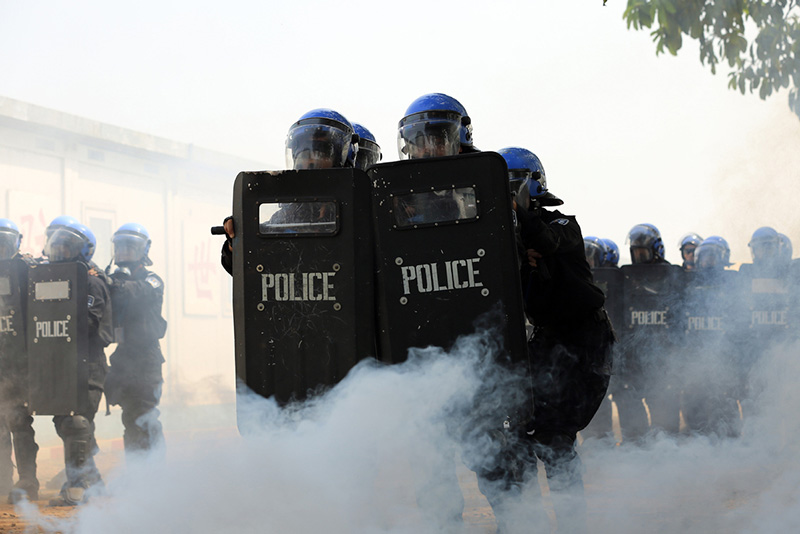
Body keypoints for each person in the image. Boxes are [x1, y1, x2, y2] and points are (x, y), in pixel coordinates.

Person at [493, 146, 614, 532]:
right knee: (519, 432)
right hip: (546, 339)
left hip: (584, 339)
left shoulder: (563, 225)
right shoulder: (503, 240)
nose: (506, 197)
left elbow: (545, 241)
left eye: (512, 188)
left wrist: (520, 219)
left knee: (555, 437)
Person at [221, 108, 359, 274]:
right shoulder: (287, 215)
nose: (310, 161)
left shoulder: (360, 209)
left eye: (321, 153)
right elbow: (248, 266)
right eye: (304, 153)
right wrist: (234, 242)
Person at [41, 217, 112, 506]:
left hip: (87, 364)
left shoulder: (92, 283)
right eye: (55, 245)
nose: (59, 251)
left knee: (76, 422)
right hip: (60, 364)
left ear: (83, 251)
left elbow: (86, 324)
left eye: (66, 247)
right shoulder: (46, 280)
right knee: (66, 422)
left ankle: (78, 487)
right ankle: (92, 481)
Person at [104, 223, 167, 460]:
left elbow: (136, 290)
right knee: (129, 417)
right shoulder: (112, 280)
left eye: (130, 246)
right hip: (123, 357)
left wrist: (111, 282)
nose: (123, 252)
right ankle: (137, 472)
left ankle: (156, 471)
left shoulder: (152, 280)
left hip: (146, 359)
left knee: (146, 416)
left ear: (144, 249)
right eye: (120, 246)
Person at [0, 219, 40, 503]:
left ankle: (27, 480)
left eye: (6, 241)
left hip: (18, 362)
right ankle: (2, 479)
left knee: (18, 422)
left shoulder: (27, 269)